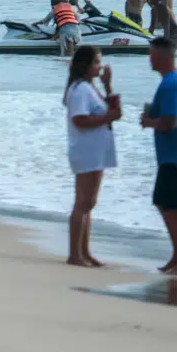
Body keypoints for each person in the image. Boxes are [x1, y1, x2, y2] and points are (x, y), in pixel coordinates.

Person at [140, 36, 177, 277]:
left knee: (174, 209)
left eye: (151, 54)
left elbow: (171, 121)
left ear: (163, 56)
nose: (149, 59)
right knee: (167, 205)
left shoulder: (170, 84)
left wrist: (149, 121)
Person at [63, 46, 121, 267]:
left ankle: (83, 251)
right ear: (86, 65)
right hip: (86, 150)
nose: (100, 66)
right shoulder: (80, 90)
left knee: (89, 202)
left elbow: (112, 110)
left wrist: (108, 86)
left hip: (94, 150)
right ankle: (75, 254)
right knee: (83, 202)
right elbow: (80, 120)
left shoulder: (89, 88)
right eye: (97, 63)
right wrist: (107, 117)